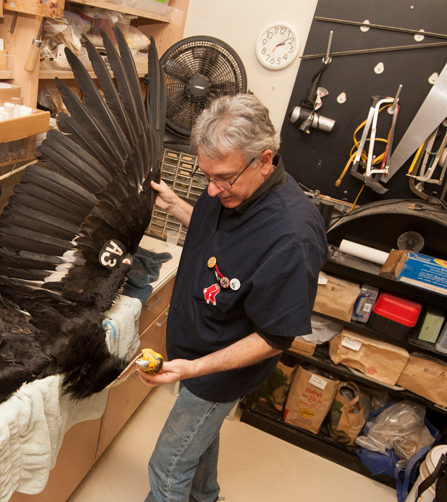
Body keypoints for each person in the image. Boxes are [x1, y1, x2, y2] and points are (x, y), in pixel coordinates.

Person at [138, 93, 328, 502]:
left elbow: (274, 337)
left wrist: (193, 370)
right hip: (195, 352)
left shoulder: (291, 237)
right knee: (200, 441)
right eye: (206, 175)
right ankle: (207, 497)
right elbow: (223, 246)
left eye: (222, 178)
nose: (211, 189)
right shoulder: (228, 189)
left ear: (264, 160)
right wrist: (177, 206)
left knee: (169, 465)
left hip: (220, 370)